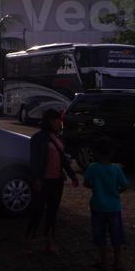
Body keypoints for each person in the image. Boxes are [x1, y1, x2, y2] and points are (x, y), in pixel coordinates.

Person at [24, 108, 78, 254]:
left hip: (57, 181)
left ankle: (48, 242)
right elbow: (35, 161)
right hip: (43, 181)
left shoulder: (58, 138)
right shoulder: (38, 138)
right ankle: (28, 242)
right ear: (50, 121)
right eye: (57, 120)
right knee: (37, 211)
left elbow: (64, 161)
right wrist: (36, 179)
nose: (59, 123)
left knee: (52, 212)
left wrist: (72, 176)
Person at [82, 136, 128, 271]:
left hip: (97, 206)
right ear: (112, 153)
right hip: (114, 207)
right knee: (116, 234)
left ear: (96, 152)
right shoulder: (116, 169)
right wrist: (115, 192)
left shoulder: (93, 168)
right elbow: (125, 185)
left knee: (100, 234)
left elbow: (86, 183)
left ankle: (104, 261)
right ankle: (118, 261)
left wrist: (97, 187)